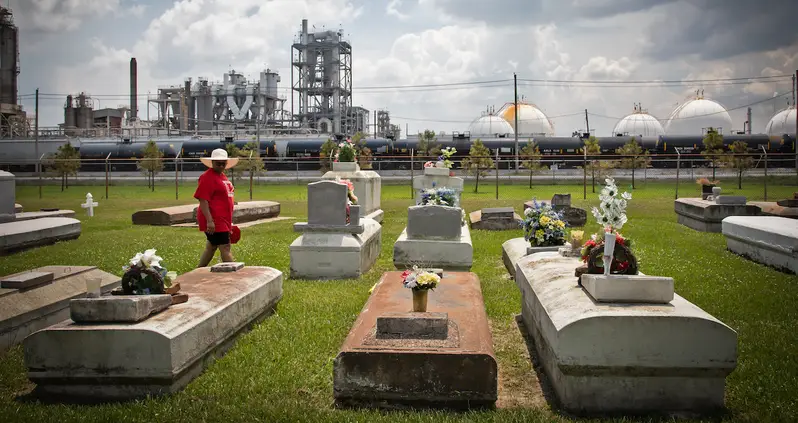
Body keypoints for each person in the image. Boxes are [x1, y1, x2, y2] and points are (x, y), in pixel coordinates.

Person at [194, 148, 239, 267]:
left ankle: (198, 271)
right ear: (212, 162)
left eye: (223, 163)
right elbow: (203, 200)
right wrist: (209, 221)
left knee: (211, 246)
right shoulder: (207, 177)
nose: (221, 165)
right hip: (214, 219)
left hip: (223, 219)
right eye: (218, 163)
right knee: (225, 247)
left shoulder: (222, 176)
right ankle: (233, 275)